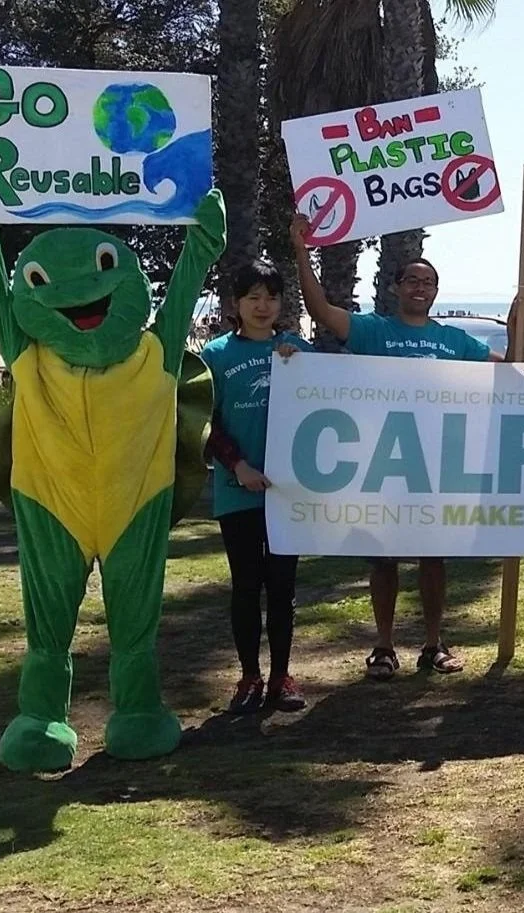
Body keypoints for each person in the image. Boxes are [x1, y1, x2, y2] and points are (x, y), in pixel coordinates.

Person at [290, 214, 505, 679]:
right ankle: (384, 647)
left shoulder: (454, 341)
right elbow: (322, 310)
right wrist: (300, 249)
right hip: (382, 467)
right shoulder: (373, 331)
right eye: (412, 280)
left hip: (433, 469)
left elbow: (508, 367)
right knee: (383, 558)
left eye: (428, 282)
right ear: (396, 287)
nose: (419, 288)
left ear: (435, 291)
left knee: (433, 557)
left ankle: (433, 645)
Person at [201, 263, 313, 713]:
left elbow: (332, 397)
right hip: (237, 489)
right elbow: (202, 421)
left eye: (271, 296)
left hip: (289, 492)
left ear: (282, 303)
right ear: (236, 304)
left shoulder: (295, 350)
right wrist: (238, 464)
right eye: (253, 297)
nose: (263, 306)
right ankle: (249, 676)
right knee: (246, 584)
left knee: (283, 587)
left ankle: (282, 677)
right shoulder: (216, 355)